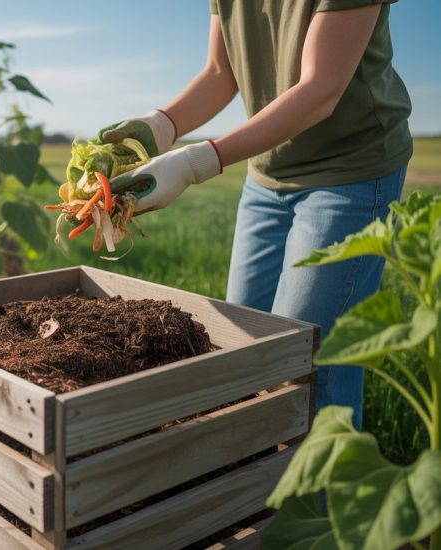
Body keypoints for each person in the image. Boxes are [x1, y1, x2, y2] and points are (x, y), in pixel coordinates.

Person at [99, 0, 411, 428]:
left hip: (348, 173)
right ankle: (257, 489)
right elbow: (218, 73)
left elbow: (321, 89)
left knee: (307, 363)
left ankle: (321, 493)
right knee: (242, 348)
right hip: (266, 177)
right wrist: (161, 126)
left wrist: (195, 164)